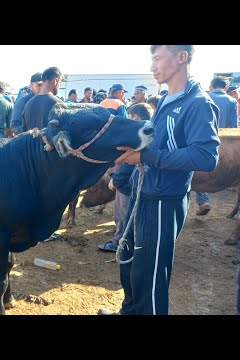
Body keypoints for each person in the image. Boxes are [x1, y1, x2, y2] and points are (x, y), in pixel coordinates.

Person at [98, 45, 220, 315]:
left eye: (157, 59)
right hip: (142, 195)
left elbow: (206, 157)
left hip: (164, 201)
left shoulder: (198, 103)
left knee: (149, 276)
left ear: (181, 57)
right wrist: (122, 175)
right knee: (129, 263)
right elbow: (147, 143)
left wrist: (148, 158)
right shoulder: (166, 99)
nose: (152, 67)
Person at [98, 103, 154, 252]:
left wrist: (117, 180)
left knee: (123, 215)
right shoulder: (151, 131)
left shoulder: (135, 134)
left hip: (127, 185)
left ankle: (119, 243)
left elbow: (128, 162)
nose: (128, 119)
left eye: (130, 116)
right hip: (143, 185)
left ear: (135, 116)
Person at [195, 76, 238, 216]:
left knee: (195, 171)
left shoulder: (204, 97)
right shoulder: (232, 101)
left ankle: (203, 200)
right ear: (225, 87)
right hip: (227, 146)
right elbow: (233, 127)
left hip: (205, 141)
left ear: (211, 86)